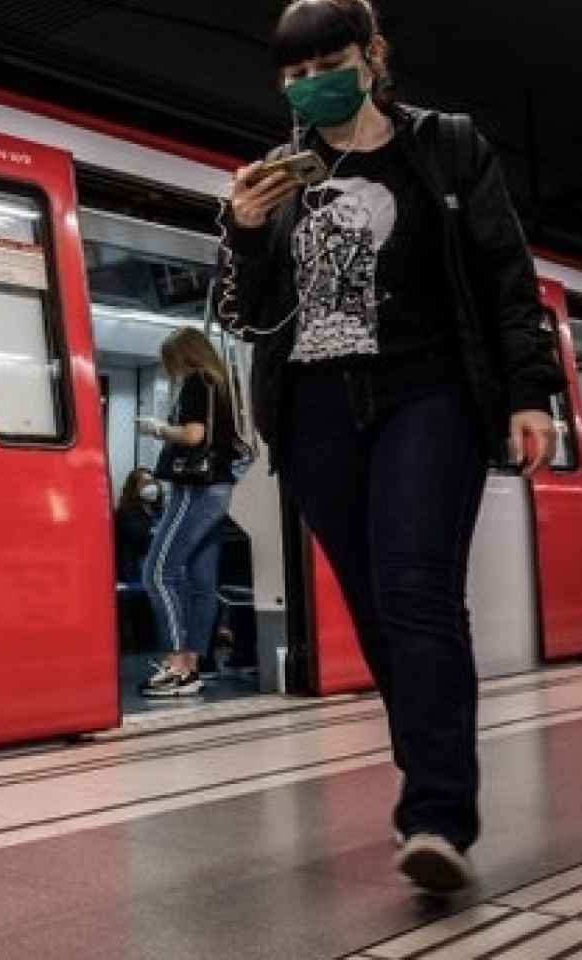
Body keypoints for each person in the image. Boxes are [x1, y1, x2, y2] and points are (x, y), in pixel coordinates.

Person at [222, 0, 564, 892]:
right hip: (316, 410)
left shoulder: (447, 146)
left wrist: (531, 394)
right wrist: (248, 233)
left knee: (417, 588)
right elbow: (255, 317)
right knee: (377, 608)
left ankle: (438, 814)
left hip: (429, 392)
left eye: (326, 62)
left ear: (372, 56)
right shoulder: (281, 177)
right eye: (292, 75)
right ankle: (431, 781)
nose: (309, 84)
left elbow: (503, 271)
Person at [135, 329, 242, 698]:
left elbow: (194, 436)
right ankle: (194, 665)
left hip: (194, 489)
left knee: (157, 572)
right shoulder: (223, 387)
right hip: (219, 490)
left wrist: (159, 429)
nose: (172, 370)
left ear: (184, 356)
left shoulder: (198, 382)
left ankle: (177, 663)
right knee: (201, 583)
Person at [113, 467, 162, 583]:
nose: (151, 487)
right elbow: (140, 539)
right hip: (136, 566)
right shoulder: (126, 512)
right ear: (134, 487)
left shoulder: (158, 510)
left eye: (153, 482)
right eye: (145, 483)